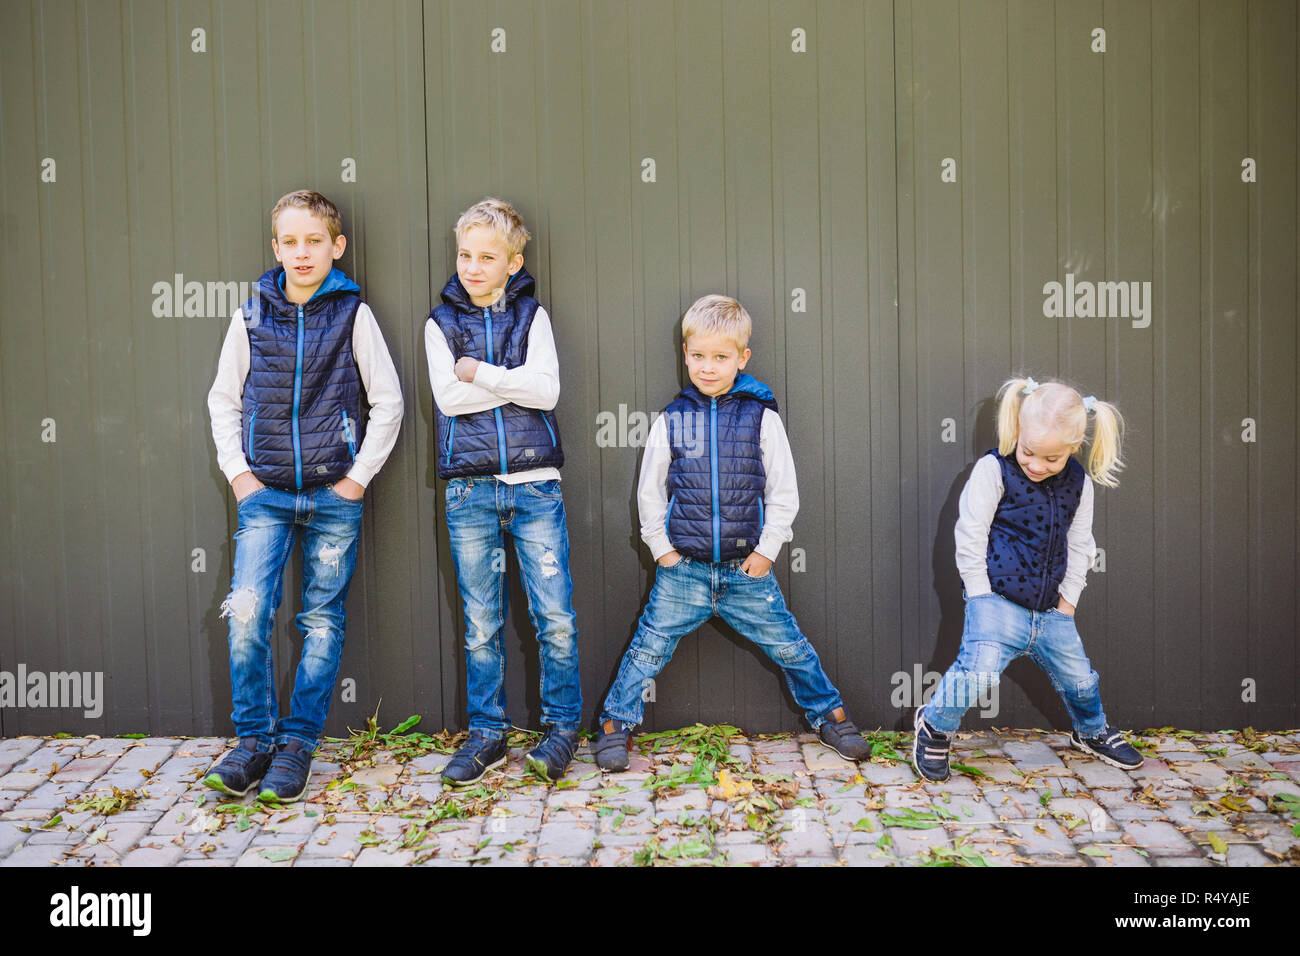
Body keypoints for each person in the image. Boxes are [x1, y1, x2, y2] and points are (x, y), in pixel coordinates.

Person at [593, 295, 870, 771]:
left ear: (742, 358)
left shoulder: (762, 417)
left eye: (720, 357)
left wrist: (767, 550)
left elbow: (784, 490)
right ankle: (615, 724)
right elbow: (649, 492)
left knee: (791, 647)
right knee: (647, 648)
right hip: (684, 572)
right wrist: (662, 551)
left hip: (747, 572)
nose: (708, 366)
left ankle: (832, 716)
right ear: (685, 354)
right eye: (698, 355)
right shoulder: (672, 419)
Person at [204, 189, 403, 802]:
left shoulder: (353, 315)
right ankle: (252, 744)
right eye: (289, 242)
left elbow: (388, 402)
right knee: (246, 615)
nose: (302, 252)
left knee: (320, 621)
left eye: (314, 240)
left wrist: (356, 479)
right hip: (264, 495)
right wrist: (239, 475)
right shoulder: (251, 316)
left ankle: (296, 746)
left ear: (337, 247)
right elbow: (222, 399)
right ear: (275, 248)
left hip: (332, 496)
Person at [912, 377, 1143, 782]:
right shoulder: (993, 470)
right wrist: (980, 595)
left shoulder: (1080, 484)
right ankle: (935, 726)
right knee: (976, 673)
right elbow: (971, 533)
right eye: (1028, 452)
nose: (1036, 465)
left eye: (1051, 458)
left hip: (1052, 611)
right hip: (997, 602)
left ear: (1074, 446)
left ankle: (1091, 731)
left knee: (1081, 680)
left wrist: (1067, 604)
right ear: (1017, 430)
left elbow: (1080, 544)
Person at [425, 197, 583, 784]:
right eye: (465, 255)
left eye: (487, 257)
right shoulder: (439, 324)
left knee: (555, 616)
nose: (472, 267)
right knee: (480, 624)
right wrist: (512, 383)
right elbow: (449, 400)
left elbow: (547, 392)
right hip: (469, 491)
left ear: (513, 263)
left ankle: (562, 729)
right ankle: (486, 734)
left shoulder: (532, 318)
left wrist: (480, 372)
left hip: (535, 485)